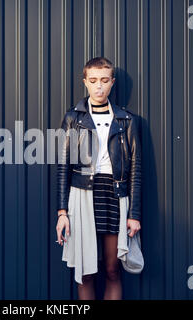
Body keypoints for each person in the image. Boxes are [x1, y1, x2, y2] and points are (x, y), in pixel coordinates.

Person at [55, 57, 142, 300]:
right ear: (85, 82)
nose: (99, 86)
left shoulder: (127, 120)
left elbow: (136, 168)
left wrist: (134, 214)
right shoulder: (73, 118)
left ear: (112, 82)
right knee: (85, 272)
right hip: (82, 196)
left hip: (115, 196)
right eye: (93, 81)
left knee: (113, 270)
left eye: (104, 80)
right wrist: (62, 212)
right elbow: (64, 166)